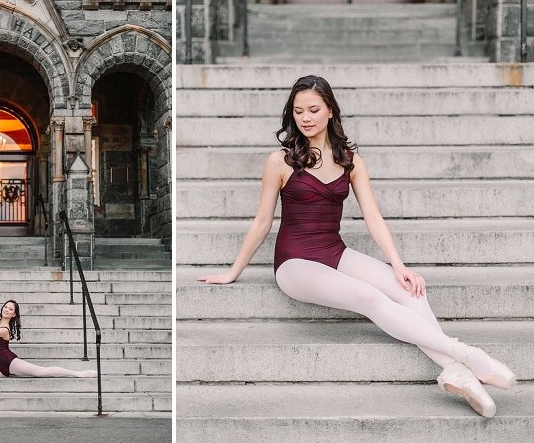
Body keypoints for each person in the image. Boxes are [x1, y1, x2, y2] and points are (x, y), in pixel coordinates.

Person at [196, 75, 515, 418]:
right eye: (298, 111)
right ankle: (464, 354)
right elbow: (262, 222)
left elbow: (373, 218)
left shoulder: (352, 161)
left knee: (409, 290)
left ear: (330, 111)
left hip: (335, 251)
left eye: (314, 109)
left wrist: (398, 265)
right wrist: (233, 271)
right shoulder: (280, 161)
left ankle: (458, 374)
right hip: (295, 263)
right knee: (369, 297)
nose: (305, 118)